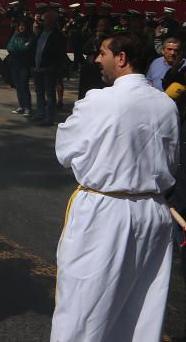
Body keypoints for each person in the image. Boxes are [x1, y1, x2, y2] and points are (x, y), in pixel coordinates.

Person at [52, 33, 178, 341]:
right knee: (141, 308)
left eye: (103, 53)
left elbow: (65, 152)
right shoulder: (166, 104)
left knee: (82, 305)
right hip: (154, 210)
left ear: (121, 58)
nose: (97, 59)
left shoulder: (99, 99)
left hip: (105, 209)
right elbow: (171, 160)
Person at [30, 8, 68, 126]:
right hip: (38, 67)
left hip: (49, 69)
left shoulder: (58, 36)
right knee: (39, 92)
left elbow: (60, 54)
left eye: (45, 19)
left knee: (50, 94)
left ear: (51, 21)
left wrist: (55, 68)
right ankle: (40, 113)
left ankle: (49, 117)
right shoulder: (41, 32)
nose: (42, 21)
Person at [7, 20, 34, 115]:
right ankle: (21, 106)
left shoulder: (29, 37)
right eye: (20, 26)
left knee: (24, 86)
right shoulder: (15, 36)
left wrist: (17, 49)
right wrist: (18, 48)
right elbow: (9, 47)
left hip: (24, 65)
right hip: (14, 64)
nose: (21, 27)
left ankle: (27, 108)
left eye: (23, 25)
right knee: (18, 86)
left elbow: (26, 48)